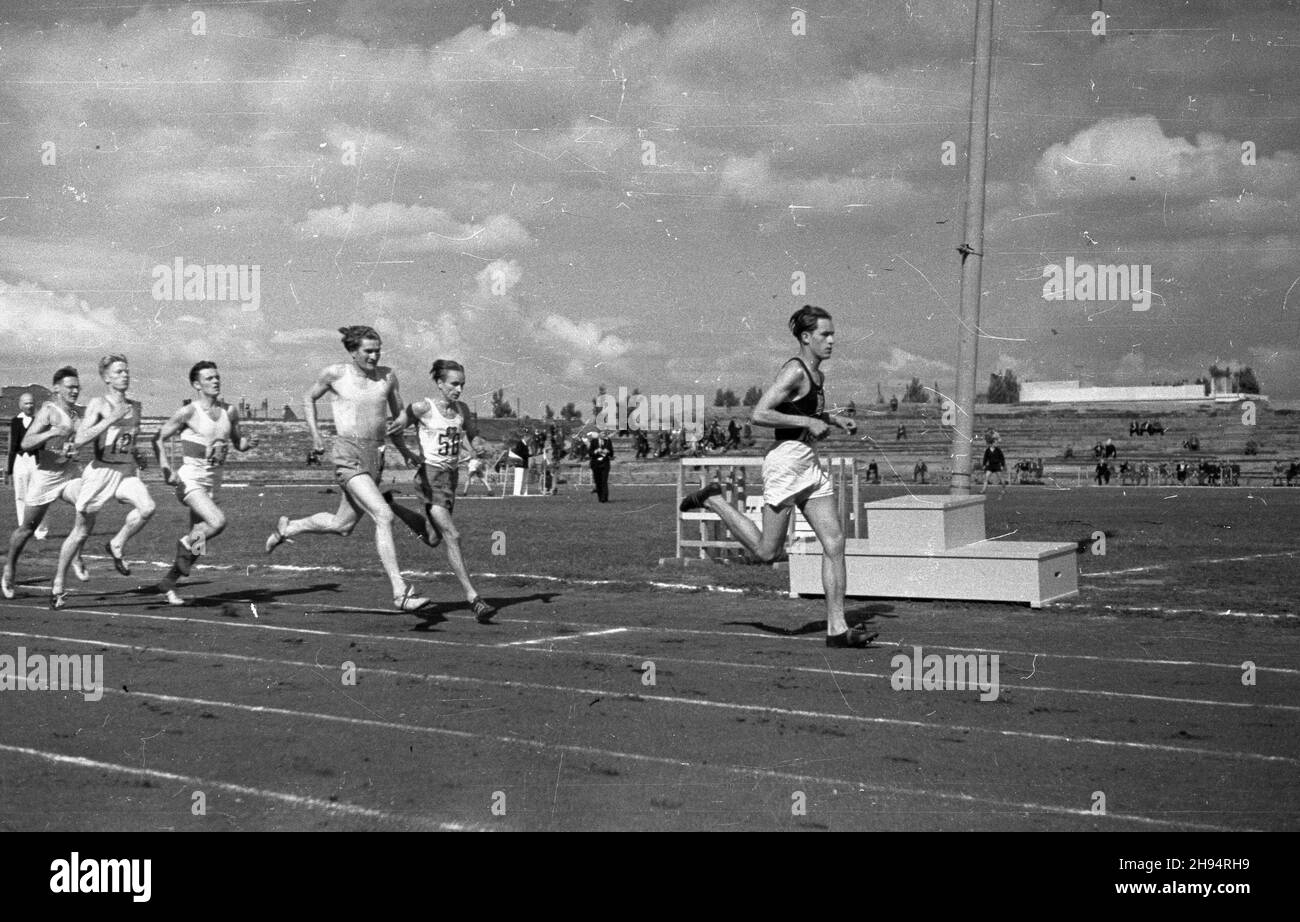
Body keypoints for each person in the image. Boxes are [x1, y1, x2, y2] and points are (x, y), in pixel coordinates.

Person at [679, 305, 872, 648]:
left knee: (835, 542)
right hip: (784, 464)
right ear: (805, 337)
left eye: (833, 334)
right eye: (825, 335)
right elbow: (760, 413)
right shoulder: (794, 372)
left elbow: (803, 409)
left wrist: (831, 418)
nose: (831, 341)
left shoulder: (818, 376)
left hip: (808, 465)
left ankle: (837, 629)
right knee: (768, 552)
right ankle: (713, 499)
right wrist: (809, 423)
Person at [264, 326, 435, 613]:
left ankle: (288, 528)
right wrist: (316, 436)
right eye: (368, 351)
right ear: (353, 352)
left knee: (341, 525)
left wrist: (405, 450)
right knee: (383, 514)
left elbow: (399, 420)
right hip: (347, 453)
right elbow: (308, 398)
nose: (374, 355)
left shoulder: (388, 377)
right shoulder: (336, 374)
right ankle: (400, 592)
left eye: (378, 349)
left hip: (375, 455)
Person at [387, 359, 496, 622]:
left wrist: (480, 445)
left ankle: (390, 504)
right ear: (439, 383)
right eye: (453, 384)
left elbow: (472, 436)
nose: (458, 389)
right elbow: (396, 426)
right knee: (452, 535)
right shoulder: (423, 407)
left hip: (450, 479)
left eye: (462, 385)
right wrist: (406, 451)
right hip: (429, 477)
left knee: (434, 538)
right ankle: (474, 598)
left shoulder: (462, 410)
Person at [51, 355, 157, 610]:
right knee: (81, 533)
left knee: (147, 507)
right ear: (106, 377)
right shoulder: (99, 403)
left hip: (125, 472)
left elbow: (128, 441)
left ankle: (116, 543)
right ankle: (58, 585)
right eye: (119, 371)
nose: (125, 375)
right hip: (100, 474)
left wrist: (139, 456)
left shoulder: (135, 407)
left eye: (127, 371)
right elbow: (79, 439)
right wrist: (111, 418)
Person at [151, 362, 258, 606]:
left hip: (212, 484)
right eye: (209, 378)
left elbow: (238, 442)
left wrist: (248, 443)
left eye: (217, 377)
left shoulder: (230, 411)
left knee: (199, 543)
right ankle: (183, 544)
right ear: (196, 385)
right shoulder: (189, 412)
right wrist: (166, 469)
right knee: (217, 522)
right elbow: (157, 438)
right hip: (190, 480)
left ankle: (168, 584)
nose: (215, 381)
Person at [2, 369, 88, 599]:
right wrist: (50, 432)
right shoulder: (48, 410)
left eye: (77, 386)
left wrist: (73, 448)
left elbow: (77, 441)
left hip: (69, 473)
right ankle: (10, 568)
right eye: (70, 386)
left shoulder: (76, 413)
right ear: (57, 388)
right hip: (46, 477)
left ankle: (77, 555)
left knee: (87, 505)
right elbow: (27, 442)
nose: (75, 390)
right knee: (27, 529)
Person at [7, 392, 49, 540]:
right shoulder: (15, 421)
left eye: (31, 403)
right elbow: (12, 445)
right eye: (26, 403)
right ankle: (23, 528)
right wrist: (10, 468)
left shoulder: (40, 421)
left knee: (39, 495)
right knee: (20, 495)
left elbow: (43, 443)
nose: (29, 406)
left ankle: (41, 531)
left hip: (36, 461)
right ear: (20, 405)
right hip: (20, 460)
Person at [589, 430, 613, 502]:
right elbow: (590, 453)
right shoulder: (594, 441)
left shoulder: (608, 441)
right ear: (599, 434)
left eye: (605, 433)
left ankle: (604, 497)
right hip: (595, 463)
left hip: (605, 463)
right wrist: (596, 451)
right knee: (598, 481)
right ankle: (600, 497)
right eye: (603, 433)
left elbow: (612, 453)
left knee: (604, 480)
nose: (604, 435)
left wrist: (608, 451)